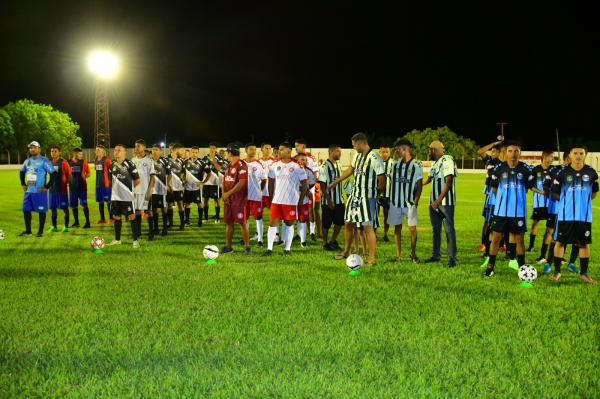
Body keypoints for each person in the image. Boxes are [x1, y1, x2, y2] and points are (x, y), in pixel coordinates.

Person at [329, 132, 386, 266]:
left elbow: (382, 180)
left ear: (360, 143)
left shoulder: (374, 157)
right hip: (355, 196)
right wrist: (337, 181)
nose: (354, 147)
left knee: (368, 227)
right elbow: (350, 170)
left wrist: (374, 194)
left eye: (354, 145)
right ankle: (347, 251)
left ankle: (372, 259)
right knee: (348, 222)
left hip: (367, 198)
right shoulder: (358, 156)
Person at [483, 142, 539, 277]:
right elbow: (494, 188)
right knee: (496, 239)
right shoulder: (498, 168)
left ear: (520, 153)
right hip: (500, 211)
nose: (513, 154)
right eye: (510, 151)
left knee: (519, 240)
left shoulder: (526, 169)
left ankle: (522, 269)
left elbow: (528, 187)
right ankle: (490, 267)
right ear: (505, 152)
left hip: (518, 212)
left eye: (516, 151)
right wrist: (502, 201)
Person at [549, 145, 598, 284]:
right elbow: (555, 192)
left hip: (584, 216)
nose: (578, 156)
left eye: (581, 153)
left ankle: (584, 273)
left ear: (585, 155)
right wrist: (567, 202)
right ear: (570, 155)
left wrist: (582, 200)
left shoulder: (591, 172)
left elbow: (593, 193)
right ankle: (557, 272)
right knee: (560, 242)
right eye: (575, 153)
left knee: (583, 244)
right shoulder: (562, 172)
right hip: (566, 215)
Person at [263, 142, 309, 256]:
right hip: (277, 201)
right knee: (272, 223)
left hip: (291, 201)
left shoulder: (297, 166)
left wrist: (300, 200)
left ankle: (287, 249)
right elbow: (271, 182)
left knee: (289, 224)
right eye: (279, 149)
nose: (279, 151)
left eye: (281, 149)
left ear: (288, 151)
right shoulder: (274, 165)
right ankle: (269, 249)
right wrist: (271, 197)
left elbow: (305, 184)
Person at [423, 140, 458, 267]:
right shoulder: (436, 163)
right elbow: (428, 180)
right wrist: (415, 183)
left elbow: (449, 181)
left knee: (449, 230)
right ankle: (436, 255)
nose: (429, 152)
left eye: (430, 150)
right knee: (436, 230)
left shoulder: (447, 160)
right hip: (434, 203)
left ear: (434, 150)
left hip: (444, 202)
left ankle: (452, 258)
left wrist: (437, 201)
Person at [388, 139, 423, 263]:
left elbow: (419, 185)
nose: (397, 151)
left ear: (405, 149)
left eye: (398, 149)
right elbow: (392, 181)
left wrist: (416, 201)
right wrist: (391, 197)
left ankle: (413, 253)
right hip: (396, 203)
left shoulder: (416, 165)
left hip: (409, 203)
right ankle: (398, 256)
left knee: (412, 229)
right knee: (397, 228)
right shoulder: (396, 165)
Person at [19, 141, 55, 237]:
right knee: (26, 210)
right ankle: (28, 231)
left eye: (34, 147)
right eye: (30, 148)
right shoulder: (27, 161)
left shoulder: (44, 161)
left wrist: (47, 186)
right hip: (28, 191)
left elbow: (53, 174)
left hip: (39, 192)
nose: (32, 149)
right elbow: (22, 172)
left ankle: (40, 232)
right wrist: (23, 183)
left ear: (39, 149)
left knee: (41, 211)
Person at [107, 144, 140, 247]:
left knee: (131, 217)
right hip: (115, 197)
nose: (116, 152)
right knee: (116, 217)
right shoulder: (112, 164)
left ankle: (135, 240)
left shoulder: (130, 164)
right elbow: (110, 179)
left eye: (119, 150)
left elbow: (137, 180)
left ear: (125, 152)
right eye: (115, 150)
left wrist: (128, 190)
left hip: (127, 197)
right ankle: (117, 239)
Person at [220, 144, 251, 255]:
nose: (226, 155)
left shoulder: (242, 165)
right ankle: (228, 247)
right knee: (228, 223)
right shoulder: (229, 165)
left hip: (239, 200)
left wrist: (227, 194)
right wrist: (224, 194)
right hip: (228, 199)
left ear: (229, 153)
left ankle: (247, 247)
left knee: (242, 223)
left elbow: (242, 183)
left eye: (227, 153)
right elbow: (224, 180)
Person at [477, 140, 503, 252]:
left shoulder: (501, 163)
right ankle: (484, 243)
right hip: (489, 193)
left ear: (499, 153)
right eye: (491, 151)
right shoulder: (488, 160)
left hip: (498, 192)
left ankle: (501, 244)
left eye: (494, 151)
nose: (492, 153)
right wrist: (493, 144)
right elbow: (480, 151)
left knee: (500, 218)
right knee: (487, 220)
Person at [528, 150, 555, 253]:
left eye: (553, 157)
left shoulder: (554, 170)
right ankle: (531, 246)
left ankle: (550, 250)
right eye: (551, 157)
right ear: (544, 157)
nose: (552, 159)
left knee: (551, 227)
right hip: (538, 203)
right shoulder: (536, 169)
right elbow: (530, 185)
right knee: (535, 224)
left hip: (551, 204)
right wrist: (540, 192)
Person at [319, 144, 345, 251]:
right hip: (327, 201)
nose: (340, 154)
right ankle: (325, 243)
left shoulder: (338, 164)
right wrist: (329, 200)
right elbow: (322, 184)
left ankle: (333, 240)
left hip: (339, 199)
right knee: (326, 224)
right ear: (332, 152)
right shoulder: (324, 166)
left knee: (339, 222)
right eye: (338, 152)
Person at [295, 138, 321, 241]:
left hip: (310, 189)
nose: (296, 148)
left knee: (311, 210)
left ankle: (312, 232)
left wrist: (309, 188)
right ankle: (300, 233)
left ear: (303, 146)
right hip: (297, 189)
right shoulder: (294, 158)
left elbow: (315, 174)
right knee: (298, 209)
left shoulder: (312, 158)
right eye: (295, 146)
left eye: (297, 146)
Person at [132, 139, 156, 240]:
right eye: (135, 146)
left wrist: (149, 190)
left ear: (144, 147)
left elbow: (153, 178)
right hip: (135, 191)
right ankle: (138, 232)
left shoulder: (149, 161)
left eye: (138, 146)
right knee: (137, 211)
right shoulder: (132, 160)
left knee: (148, 211)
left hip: (145, 191)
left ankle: (151, 233)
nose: (136, 148)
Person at [244, 143, 267, 247]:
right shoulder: (241, 163)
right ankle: (246, 239)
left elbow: (264, 179)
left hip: (255, 196)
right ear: (246, 150)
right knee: (245, 218)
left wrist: (259, 190)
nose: (253, 151)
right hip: (243, 197)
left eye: (254, 149)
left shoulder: (258, 164)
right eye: (251, 149)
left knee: (258, 218)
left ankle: (260, 240)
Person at [184, 146, 210, 227]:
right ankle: (187, 220)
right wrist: (183, 180)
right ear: (190, 152)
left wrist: (203, 182)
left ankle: (200, 220)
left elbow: (209, 173)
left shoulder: (202, 162)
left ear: (198, 153)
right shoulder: (185, 162)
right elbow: (182, 173)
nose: (194, 154)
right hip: (187, 187)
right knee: (187, 204)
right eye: (193, 152)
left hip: (197, 188)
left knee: (199, 203)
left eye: (196, 152)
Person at [48, 146, 71, 233]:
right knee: (53, 209)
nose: (53, 153)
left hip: (61, 190)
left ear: (59, 152)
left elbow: (69, 175)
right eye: (52, 151)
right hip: (52, 190)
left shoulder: (63, 163)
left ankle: (66, 227)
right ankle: (54, 227)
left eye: (55, 151)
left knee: (65, 208)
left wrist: (67, 184)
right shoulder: (49, 163)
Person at [295, 152, 316, 247]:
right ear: (297, 160)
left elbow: (312, 182)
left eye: (306, 160)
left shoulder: (309, 171)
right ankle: (285, 239)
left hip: (304, 199)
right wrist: (300, 188)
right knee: (290, 220)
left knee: (302, 219)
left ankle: (303, 241)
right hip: (292, 198)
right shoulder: (292, 170)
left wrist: (306, 190)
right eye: (302, 159)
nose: (305, 161)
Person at [150, 144, 171, 237]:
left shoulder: (165, 161)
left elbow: (169, 174)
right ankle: (156, 228)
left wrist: (167, 184)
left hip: (161, 189)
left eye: (156, 150)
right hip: (151, 189)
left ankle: (165, 228)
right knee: (154, 209)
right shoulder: (148, 161)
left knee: (163, 208)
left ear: (160, 151)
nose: (154, 151)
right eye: (153, 149)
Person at [68, 148, 91, 228]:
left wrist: (83, 177)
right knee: (74, 206)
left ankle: (87, 222)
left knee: (84, 205)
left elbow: (88, 173)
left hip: (82, 188)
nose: (81, 155)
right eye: (79, 154)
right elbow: (67, 174)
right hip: (72, 188)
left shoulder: (84, 162)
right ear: (74, 154)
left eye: (81, 154)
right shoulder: (69, 162)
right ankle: (76, 222)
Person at [202, 143, 224, 223]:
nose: (212, 149)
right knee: (205, 200)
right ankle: (206, 217)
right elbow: (203, 169)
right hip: (206, 183)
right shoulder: (204, 158)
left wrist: (213, 159)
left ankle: (217, 217)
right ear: (209, 149)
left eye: (214, 148)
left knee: (216, 200)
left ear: (216, 149)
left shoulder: (219, 158)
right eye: (210, 148)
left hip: (215, 183)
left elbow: (218, 168)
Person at [166, 144, 186, 230]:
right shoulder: (166, 160)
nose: (183, 152)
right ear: (176, 150)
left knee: (180, 204)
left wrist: (183, 184)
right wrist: (167, 185)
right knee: (169, 205)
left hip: (178, 187)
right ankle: (170, 223)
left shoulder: (180, 161)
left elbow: (183, 173)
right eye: (181, 150)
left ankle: (182, 224)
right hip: (169, 187)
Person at [377, 145, 394, 242]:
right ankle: (374, 233)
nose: (385, 154)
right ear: (380, 152)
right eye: (383, 152)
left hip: (388, 195)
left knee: (386, 215)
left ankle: (385, 234)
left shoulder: (392, 163)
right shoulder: (375, 162)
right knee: (375, 214)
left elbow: (394, 179)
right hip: (377, 193)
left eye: (387, 152)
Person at [94, 145, 112, 224]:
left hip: (106, 185)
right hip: (98, 185)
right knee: (100, 201)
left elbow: (111, 173)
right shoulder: (96, 160)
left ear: (103, 151)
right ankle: (102, 218)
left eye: (99, 150)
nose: (97, 151)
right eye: (96, 150)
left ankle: (111, 218)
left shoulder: (107, 160)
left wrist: (110, 184)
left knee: (108, 201)